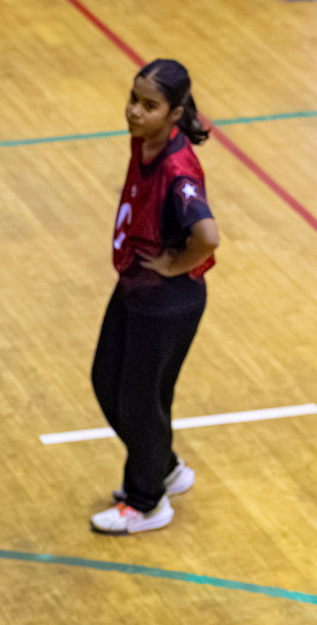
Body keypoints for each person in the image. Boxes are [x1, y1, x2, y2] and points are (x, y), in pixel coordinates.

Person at [90, 58, 221, 534]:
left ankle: (146, 502)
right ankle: (164, 467)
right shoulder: (145, 140)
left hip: (166, 302)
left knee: (140, 402)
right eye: (134, 99)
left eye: (149, 106)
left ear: (175, 113)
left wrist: (173, 266)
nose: (135, 111)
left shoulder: (177, 169)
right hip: (135, 286)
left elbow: (207, 236)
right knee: (107, 381)